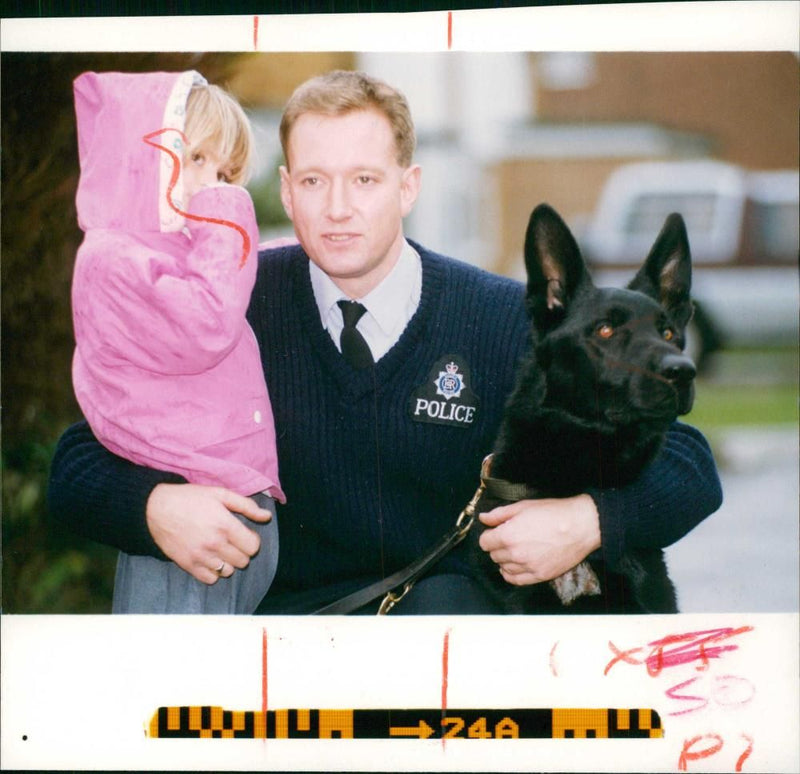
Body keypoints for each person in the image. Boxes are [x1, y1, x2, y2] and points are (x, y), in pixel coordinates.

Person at [50, 69, 722, 615]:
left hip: (439, 651)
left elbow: (686, 460)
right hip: (278, 656)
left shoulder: (493, 318)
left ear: (409, 187)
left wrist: (590, 521)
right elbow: (79, 460)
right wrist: (152, 507)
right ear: (285, 189)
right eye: (313, 181)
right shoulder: (224, 303)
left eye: (365, 180)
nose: (338, 208)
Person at [69, 70, 284, 613]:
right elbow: (207, 326)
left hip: (228, 498)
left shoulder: (180, 255)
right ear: (143, 156)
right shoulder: (114, 258)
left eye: (226, 172)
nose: (213, 185)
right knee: (175, 688)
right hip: (188, 517)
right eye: (196, 160)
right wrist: (228, 216)